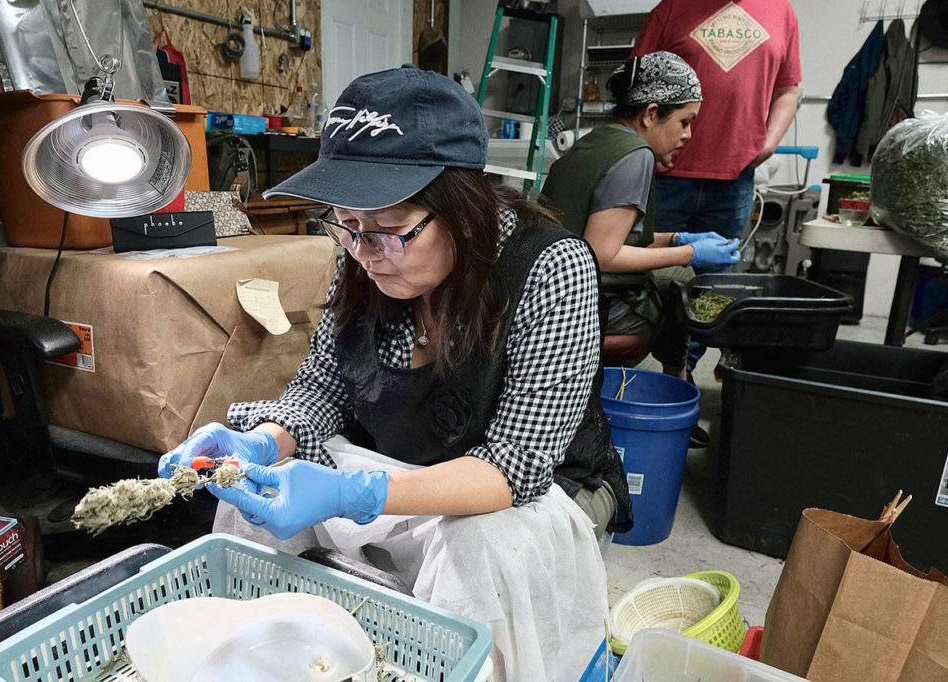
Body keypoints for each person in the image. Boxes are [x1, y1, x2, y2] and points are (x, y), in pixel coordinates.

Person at [158, 64, 632, 681]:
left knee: (474, 547)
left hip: (537, 492)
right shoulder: (362, 251)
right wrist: (261, 441)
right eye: (346, 226)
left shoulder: (550, 267)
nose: (362, 250)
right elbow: (323, 386)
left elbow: (514, 467)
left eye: (387, 232)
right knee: (255, 493)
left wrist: (356, 495)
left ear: (463, 208)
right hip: (414, 467)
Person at [540, 51, 740, 381]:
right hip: (579, 305)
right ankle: (670, 386)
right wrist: (691, 253)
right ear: (650, 114)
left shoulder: (597, 140)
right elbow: (603, 254)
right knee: (682, 285)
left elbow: (611, 232)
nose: (687, 135)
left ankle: (677, 381)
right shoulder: (636, 156)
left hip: (551, 286)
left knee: (676, 274)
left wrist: (677, 239)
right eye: (684, 122)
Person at [632, 0, 801, 382]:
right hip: (666, 173)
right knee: (642, 274)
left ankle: (679, 377)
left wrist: (769, 142)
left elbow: (787, 90)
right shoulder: (672, 9)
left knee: (712, 288)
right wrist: (645, 150)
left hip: (736, 177)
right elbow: (633, 86)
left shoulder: (782, 12)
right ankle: (615, 377)